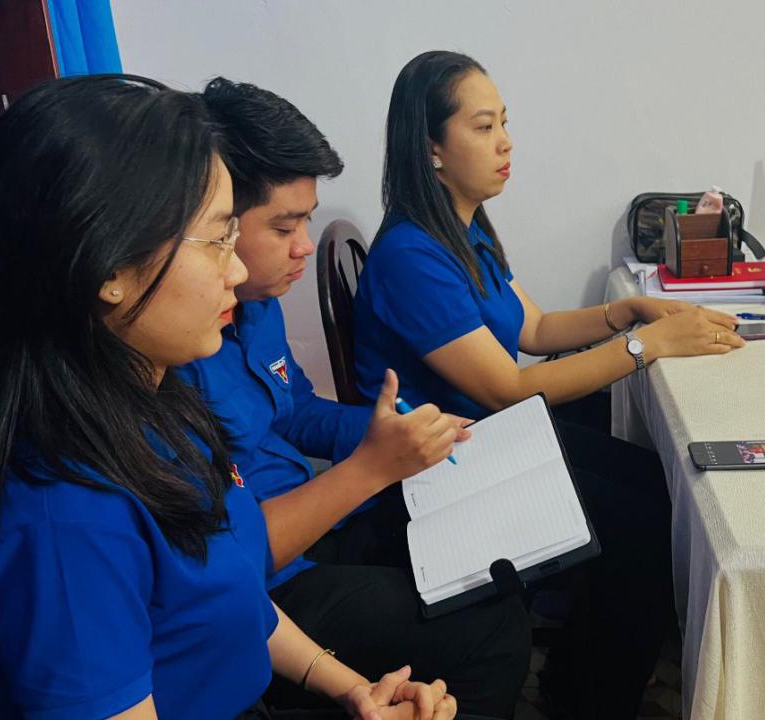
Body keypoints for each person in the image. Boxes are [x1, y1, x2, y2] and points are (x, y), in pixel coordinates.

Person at [0, 75, 453, 719]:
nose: (236, 271)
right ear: (109, 271)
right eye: (217, 240)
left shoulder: (157, 405)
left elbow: (233, 586)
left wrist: (352, 690)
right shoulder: (61, 522)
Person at [351, 51, 744, 718]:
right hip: (440, 467)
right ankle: (591, 698)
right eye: (482, 127)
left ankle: (580, 673)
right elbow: (509, 386)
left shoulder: (462, 227)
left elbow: (531, 325)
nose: (506, 143)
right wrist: (647, 345)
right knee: (645, 521)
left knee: (656, 483)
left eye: (504, 122)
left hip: (485, 436)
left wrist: (626, 312)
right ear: (432, 150)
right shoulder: (412, 256)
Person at [181, 78, 530, 718]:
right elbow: (228, 558)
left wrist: (389, 433)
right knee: (492, 624)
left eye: (306, 221)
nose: (303, 246)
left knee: (487, 548)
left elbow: (296, 410)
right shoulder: (175, 355)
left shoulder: (253, 305)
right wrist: (372, 465)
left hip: (318, 523)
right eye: (281, 225)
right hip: (279, 577)